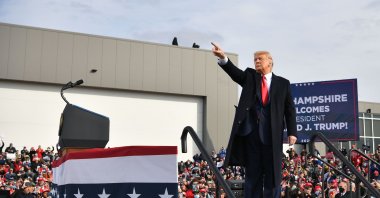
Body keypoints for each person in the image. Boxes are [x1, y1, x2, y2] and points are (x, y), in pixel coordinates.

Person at [211, 42, 297, 197]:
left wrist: (292, 132)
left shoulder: (283, 84)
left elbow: (289, 109)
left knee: (273, 176)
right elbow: (235, 73)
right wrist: (223, 58)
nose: (256, 61)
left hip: (272, 136)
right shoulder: (250, 76)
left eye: (260, 59)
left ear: (270, 62)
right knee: (252, 176)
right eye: (255, 59)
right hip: (252, 135)